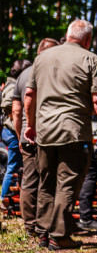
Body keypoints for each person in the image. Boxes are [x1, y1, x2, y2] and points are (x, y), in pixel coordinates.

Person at [24, 21, 97, 250]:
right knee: (67, 182)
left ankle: (43, 233)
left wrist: (31, 125)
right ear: (88, 40)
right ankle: (59, 235)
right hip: (74, 131)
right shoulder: (91, 59)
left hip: (44, 131)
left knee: (46, 181)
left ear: (67, 35)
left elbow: (30, 95)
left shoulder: (41, 58)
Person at [10, 39, 60, 240]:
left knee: (29, 180)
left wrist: (20, 133)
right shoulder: (50, 72)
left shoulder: (22, 75)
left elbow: (16, 110)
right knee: (48, 180)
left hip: (26, 135)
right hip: (46, 133)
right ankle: (44, 225)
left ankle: (29, 224)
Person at [2, 59, 31, 211]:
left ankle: (10, 195)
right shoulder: (14, 85)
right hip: (12, 132)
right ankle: (4, 197)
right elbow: (7, 104)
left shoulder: (11, 84)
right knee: (13, 165)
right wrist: (15, 114)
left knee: (17, 165)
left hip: (12, 131)